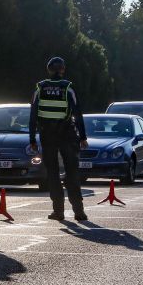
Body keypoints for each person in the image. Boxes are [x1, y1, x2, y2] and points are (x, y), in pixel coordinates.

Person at [28, 56, 88, 221]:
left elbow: (33, 115)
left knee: (53, 174)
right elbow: (77, 113)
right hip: (67, 135)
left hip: (48, 136)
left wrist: (32, 139)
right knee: (72, 172)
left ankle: (58, 211)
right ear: (62, 70)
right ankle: (79, 211)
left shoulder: (40, 88)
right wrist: (83, 137)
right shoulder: (68, 88)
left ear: (48, 70)